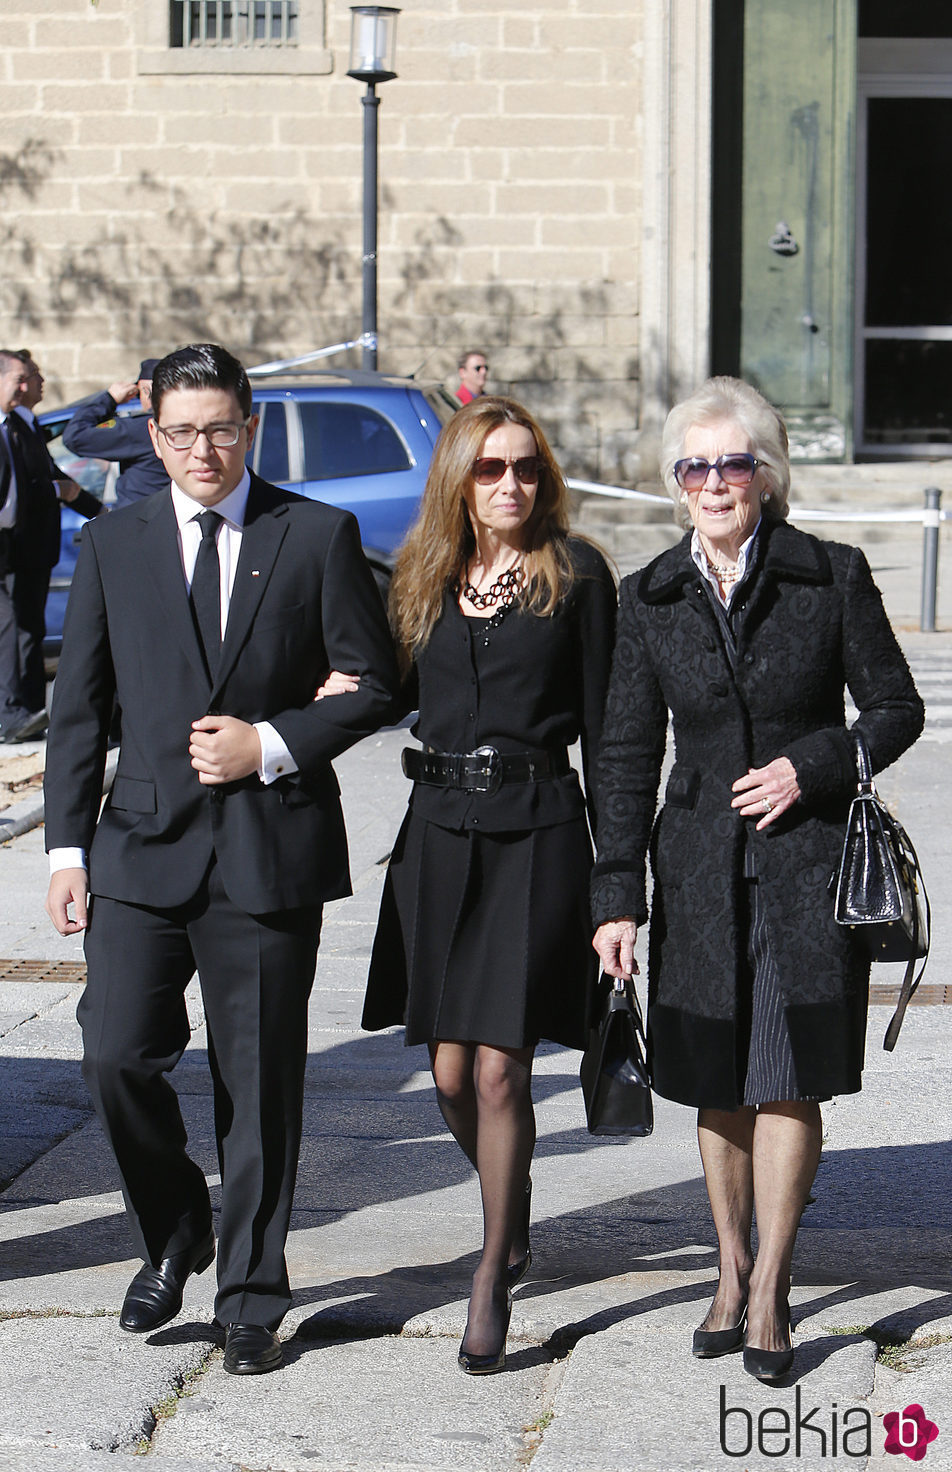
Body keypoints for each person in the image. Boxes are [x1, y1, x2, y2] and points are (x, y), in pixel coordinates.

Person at [43, 343, 398, 1375]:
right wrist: (67, 848)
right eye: (182, 429)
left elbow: (374, 680)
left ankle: (250, 1290)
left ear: (249, 425)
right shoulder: (114, 542)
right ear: (152, 434)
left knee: (259, 1083)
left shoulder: (315, 534)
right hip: (138, 849)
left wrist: (271, 741)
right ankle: (176, 1226)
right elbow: (79, 714)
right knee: (113, 1052)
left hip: (264, 850)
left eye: (221, 427)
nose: (203, 447)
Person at [591, 377, 924, 1384]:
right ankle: (726, 1268)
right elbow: (619, 753)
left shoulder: (830, 576)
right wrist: (615, 897)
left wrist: (810, 764)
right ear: (675, 481)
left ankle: (772, 1285)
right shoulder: (646, 593)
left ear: (766, 473)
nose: (712, 482)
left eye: (730, 462)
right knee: (714, 1088)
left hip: (804, 867)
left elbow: (894, 708)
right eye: (692, 466)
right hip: (692, 870)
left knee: (784, 1079)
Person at [322, 396, 616, 1375]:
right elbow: (384, 688)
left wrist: (620, 878)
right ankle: (512, 1198)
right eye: (489, 468)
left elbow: (612, 734)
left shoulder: (575, 576)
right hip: (437, 838)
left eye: (525, 467)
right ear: (457, 475)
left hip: (537, 832)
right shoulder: (423, 574)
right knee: (448, 1074)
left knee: (498, 1066)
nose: (510, 485)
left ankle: (493, 1266)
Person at [0, 348, 75, 744]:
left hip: (17, 547)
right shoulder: (9, 427)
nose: (31, 384)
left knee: (22, 629)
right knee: (11, 628)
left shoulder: (18, 426)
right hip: (12, 547)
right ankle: (12, 715)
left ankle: (21, 713)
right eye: (22, 377)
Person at [62, 357, 172, 506]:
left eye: (140, 394)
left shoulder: (139, 428)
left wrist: (110, 399)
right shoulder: (182, 426)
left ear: (146, 391)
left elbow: (75, 437)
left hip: (138, 519)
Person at [15, 351, 105, 521]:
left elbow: (52, 473)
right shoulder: (9, 428)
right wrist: (56, 490)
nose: (41, 380)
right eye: (34, 374)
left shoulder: (29, 423)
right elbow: (18, 486)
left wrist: (98, 511)